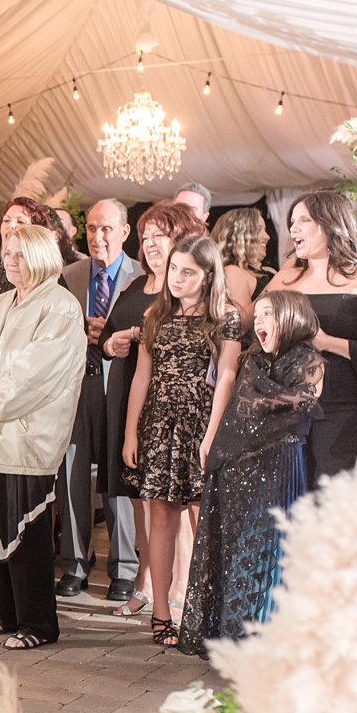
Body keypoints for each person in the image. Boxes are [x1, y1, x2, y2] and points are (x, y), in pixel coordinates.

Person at [0, 225, 85, 650]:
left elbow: (37, 373)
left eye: (20, 254)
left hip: (28, 435)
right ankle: (8, 614)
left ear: (42, 257)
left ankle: (39, 624)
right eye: (7, 253)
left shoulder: (60, 306)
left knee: (25, 530)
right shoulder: (1, 303)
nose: (10, 261)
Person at [177, 291, 324, 657]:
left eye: (268, 315)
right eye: (256, 316)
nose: (258, 323)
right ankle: (233, 637)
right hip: (238, 471)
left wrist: (255, 404)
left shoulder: (310, 362)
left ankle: (267, 642)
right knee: (236, 549)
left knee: (271, 550)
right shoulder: (252, 362)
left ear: (290, 317)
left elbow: (299, 408)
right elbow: (236, 414)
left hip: (280, 469)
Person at [122, 235, 242, 648]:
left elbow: (226, 377)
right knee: (161, 519)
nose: (177, 278)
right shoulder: (155, 315)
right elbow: (142, 376)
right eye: (174, 269)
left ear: (209, 276)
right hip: (159, 425)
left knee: (204, 520)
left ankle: (205, 613)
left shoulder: (226, 318)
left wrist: (211, 435)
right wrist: (130, 431)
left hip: (202, 426)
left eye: (188, 271)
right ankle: (160, 614)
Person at [97, 202, 207, 617]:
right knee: (139, 495)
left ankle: (177, 583)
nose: (151, 244)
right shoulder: (134, 288)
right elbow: (105, 339)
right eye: (146, 237)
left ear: (182, 238)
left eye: (160, 235)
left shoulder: (183, 290)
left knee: (170, 498)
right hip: (126, 396)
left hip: (171, 406)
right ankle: (147, 578)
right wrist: (112, 344)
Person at [261, 190, 357, 481]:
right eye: (291, 222)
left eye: (303, 220)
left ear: (331, 224)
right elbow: (255, 332)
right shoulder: (284, 279)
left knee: (335, 494)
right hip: (290, 406)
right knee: (296, 498)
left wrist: (327, 342)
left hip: (349, 407)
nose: (294, 229)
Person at [55, 199, 144, 601]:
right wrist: (80, 334)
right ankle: (74, 564)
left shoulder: (142, 278)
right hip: (76, 387)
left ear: (125, 233)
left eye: (106, 229)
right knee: (72, 478)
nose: (97, 237)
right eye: (91, 228)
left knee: (118, 480)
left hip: (121, 389)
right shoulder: (68, 276)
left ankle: (124, 568)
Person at [0, 198, 58, 302]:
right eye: (6, 220)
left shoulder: (46, 273)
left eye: (21, 221)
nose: (11, 226)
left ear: (36, 230)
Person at [210, 209, 270, 325]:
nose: (267, 237)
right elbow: (239, 326)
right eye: (258, 230)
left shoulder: (261, 271)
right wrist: (274, 288)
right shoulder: (233, 272)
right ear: (238, 235)